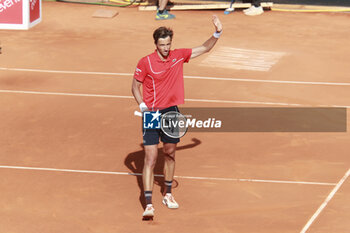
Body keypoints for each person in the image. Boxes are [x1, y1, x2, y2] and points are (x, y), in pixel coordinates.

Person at [131, 15, 223, 219]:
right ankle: (148, 203)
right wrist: (143, 106)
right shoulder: (145, 62)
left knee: (171, 153)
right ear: (155, 44)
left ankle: (168, 194)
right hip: (152, 114)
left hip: (171, 112)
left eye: (168, 44)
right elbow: (134, 86)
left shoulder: (178, 56)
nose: (165, 47)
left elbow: (204, 48)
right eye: (162, 44)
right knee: (151, 158)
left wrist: (217, 33)